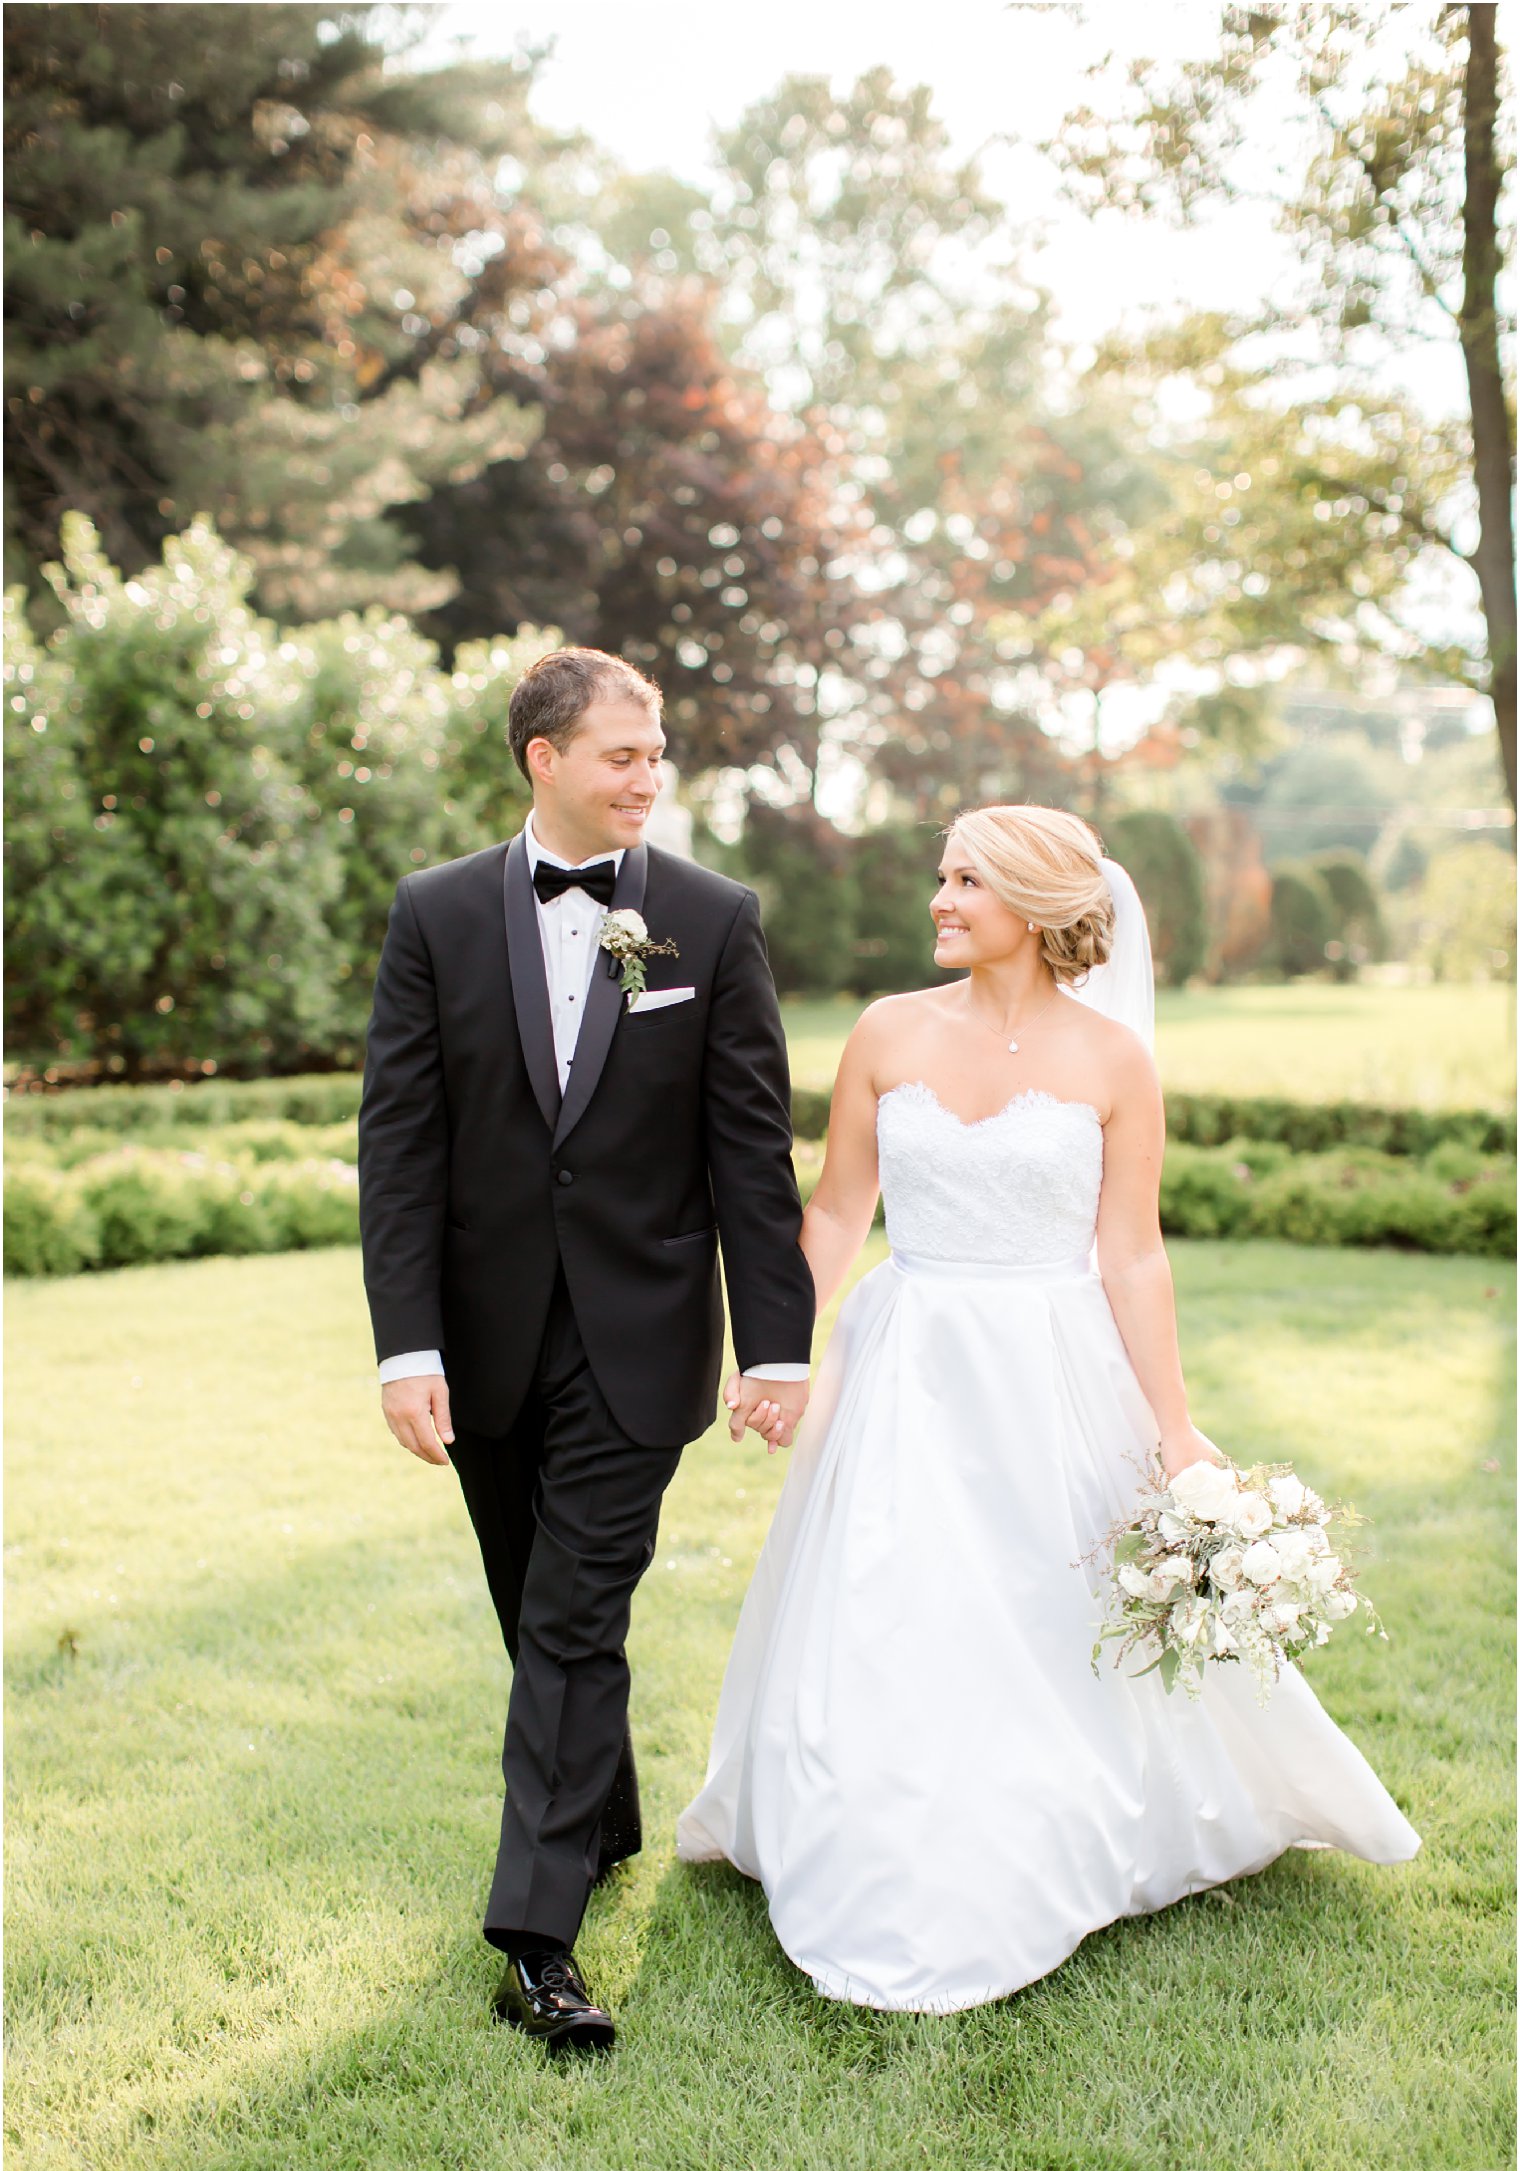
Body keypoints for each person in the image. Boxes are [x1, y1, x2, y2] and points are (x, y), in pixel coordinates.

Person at [677, 803, 1419, 2014]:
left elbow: (1131, 1257)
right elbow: (834, 1214)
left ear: (1030, 904)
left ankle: (1051, 1814)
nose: (939, 899)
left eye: (965, 880)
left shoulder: (1112, 1061)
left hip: (1051, 1371)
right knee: (890, 1594)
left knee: (1046, 1605)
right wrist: (778, 1355)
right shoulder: (884, 1032)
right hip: (907, 1356)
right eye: (942, 876)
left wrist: (1174, 1430)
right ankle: (878, 1820)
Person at [359, 648, 814, 2052]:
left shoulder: (708, 918)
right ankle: (601, 1817)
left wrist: (780, 1346)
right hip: (485, 1345)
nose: (650, 772)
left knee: (570, 1617)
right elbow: (401, 1146)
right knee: (532, 1608)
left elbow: (749, 1147)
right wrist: (403, 1347)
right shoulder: (434, 914)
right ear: (543, 757)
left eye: (658, 748)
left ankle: (536, 1941)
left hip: (641, 1338)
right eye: (623, 751)